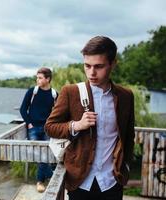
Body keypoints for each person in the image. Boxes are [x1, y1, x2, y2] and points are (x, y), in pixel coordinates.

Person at [45, 36, 135, 200]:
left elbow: (129, 136)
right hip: (79, 180)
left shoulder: (126, 96)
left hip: (112, 181)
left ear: (113, 64)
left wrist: (125, 167)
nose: (91, 73)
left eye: (99, 66)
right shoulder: (71, 92)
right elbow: (50, 127)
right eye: (87, 66)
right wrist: (76, 125)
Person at [20, 67, 58, 193]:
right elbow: (23, 109)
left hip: (48, 129)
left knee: (46, 154)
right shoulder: (32, 91)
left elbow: (58, 112)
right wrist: (29, 123)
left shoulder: (54, 94)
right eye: (37, 77)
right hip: (33, 128)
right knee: (37, 154)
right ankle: (51, 175)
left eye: (40, 77)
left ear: (48, 79)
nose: (37, 79)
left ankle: (40, 181)